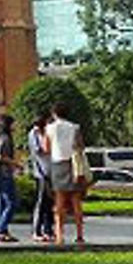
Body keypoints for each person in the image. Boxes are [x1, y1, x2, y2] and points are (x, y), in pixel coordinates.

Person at [44, 102, 87, 247]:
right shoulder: (75, 127)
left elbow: (46, 147)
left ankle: (59, 235)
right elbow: (80, 146)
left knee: (59, 203)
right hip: (73, 164)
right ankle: (80, 235)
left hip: (57, 164)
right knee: (76, 202)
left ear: (54, 114)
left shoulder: (49, 128)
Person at [27, 110, 55, 243]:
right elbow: (39, 151)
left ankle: (48, 230)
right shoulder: (34, 133)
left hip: (50, 171)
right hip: (41, 172)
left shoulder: (45, 133)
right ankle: (36, 230)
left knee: (49, 203)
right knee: (41, 202)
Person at [0, 114, 19, 243]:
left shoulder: (0, 138)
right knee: (11, 203)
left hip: (1, 174)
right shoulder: (5, 139)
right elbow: (0, 156)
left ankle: (3, 231)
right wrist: (15, 163)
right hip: (5, 174)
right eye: (13, 123)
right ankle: (0, 229)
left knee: (2, 203)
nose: (16, 126)